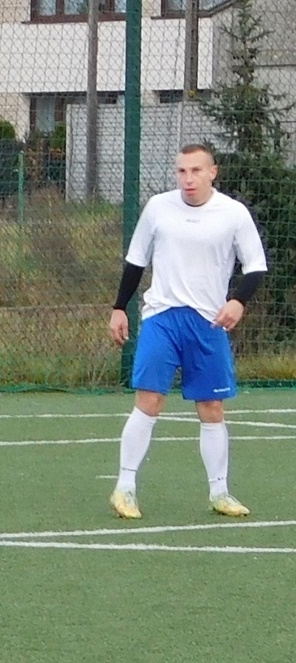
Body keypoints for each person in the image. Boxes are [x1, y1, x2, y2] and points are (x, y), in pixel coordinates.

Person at [107, 143, 267, 520]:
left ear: (213, 172)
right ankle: (124, 488)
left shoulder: (233, 213)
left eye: (196, 171)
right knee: (149, 400)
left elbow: (256, 266)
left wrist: (238, 301)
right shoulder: (158, 208)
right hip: (162, 317)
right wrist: (119, 307)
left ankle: (220, 493)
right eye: (181, 171)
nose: (188, 179)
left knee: (212, 408)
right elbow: (135, 262)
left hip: (208, 322)